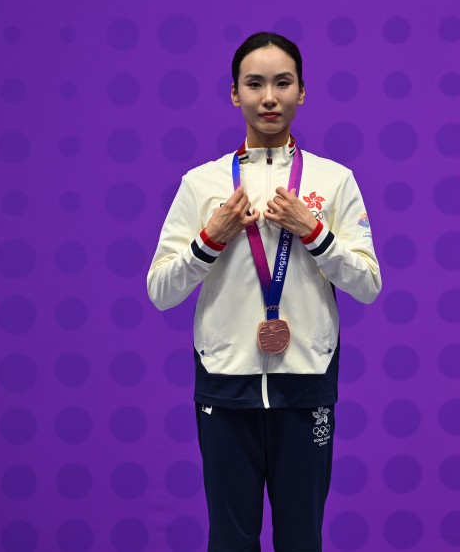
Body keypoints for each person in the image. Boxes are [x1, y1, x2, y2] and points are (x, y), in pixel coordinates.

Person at [147, 31, 382, 552]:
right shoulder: (201, 183)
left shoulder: (335, 180)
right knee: (230, 542)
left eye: (283, 83)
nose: (269, 97)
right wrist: (210, 239)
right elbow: (160, 291)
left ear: (302, 91)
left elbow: (367, 284)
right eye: (254, 84)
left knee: (302, 540)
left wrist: (314, 232)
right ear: (235, 93)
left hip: (306, 384)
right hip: (224, 384)